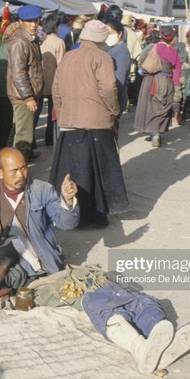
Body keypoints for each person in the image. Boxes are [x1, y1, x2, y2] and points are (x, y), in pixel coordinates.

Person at [29, 266, 190, 376]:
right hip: (102, 303)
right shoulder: (52, 287)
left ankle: (159, 338)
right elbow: (48, 294)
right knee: (108, 312)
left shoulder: (91, 273)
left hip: (124, 296)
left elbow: (121, 281)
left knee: (146, 303)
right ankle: (141, 348)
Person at [50, 20, 128, 228]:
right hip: (96, 124)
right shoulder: (102, 57)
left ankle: (68, 214)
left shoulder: (68, 56)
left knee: (71, 170)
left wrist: (63, 110)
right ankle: (93, 216)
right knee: (96, 171)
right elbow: (110, 88)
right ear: (101, 39)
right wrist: (114, 110)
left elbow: (56, 89)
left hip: (70, 123)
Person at [0, 147, 79, 294]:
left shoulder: (42, 190)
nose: (21, 175)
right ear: (0, 173)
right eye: (14, 170)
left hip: (34, 255)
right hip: (2, 251)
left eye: (23, 168)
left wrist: (67, 201)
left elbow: (67, 224)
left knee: (7, 278)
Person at [7, 5, 44, 161]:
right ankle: (18, 166)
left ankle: (13, 161)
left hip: (26, 94)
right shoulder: (20, 42)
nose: (34, 24)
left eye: (36, 20)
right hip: (22, 96)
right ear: (21, 22)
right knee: (23, 135)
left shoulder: (30, 39)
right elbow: (18, 73)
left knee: (20, 129)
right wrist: (28, 97)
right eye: (29, 21)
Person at [133, 27, 181, 148]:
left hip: (150, 81)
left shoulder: (151, 47)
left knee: (150, 106)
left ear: (161, 35)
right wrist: (174, 85)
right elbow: (178, 70)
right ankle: (157, 133)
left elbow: (141, 62)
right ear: (172, 37)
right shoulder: (173, 51)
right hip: (166, 81)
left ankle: (153, 132)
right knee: (162, 107)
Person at [0, 22, 21, 151]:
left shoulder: (1, 47)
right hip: (10, 87)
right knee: (9, 119)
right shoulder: (14, 46)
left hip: (0, 86)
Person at [36, 13, 65, 146]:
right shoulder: (59, 42)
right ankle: (50, 138)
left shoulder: (40, 41)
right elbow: (61, 65)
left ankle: (31, 141)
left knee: (36, 111)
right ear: (56, 27)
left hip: (39, 81)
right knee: (52, 111)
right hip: (54, 81)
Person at [106, 19, 132, 139]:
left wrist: (113, 104)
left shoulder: (121, 51)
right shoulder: (113, 48)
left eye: (110, 33)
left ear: (120, 33)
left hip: (115, 97)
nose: (108, 36)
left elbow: (119, 80)